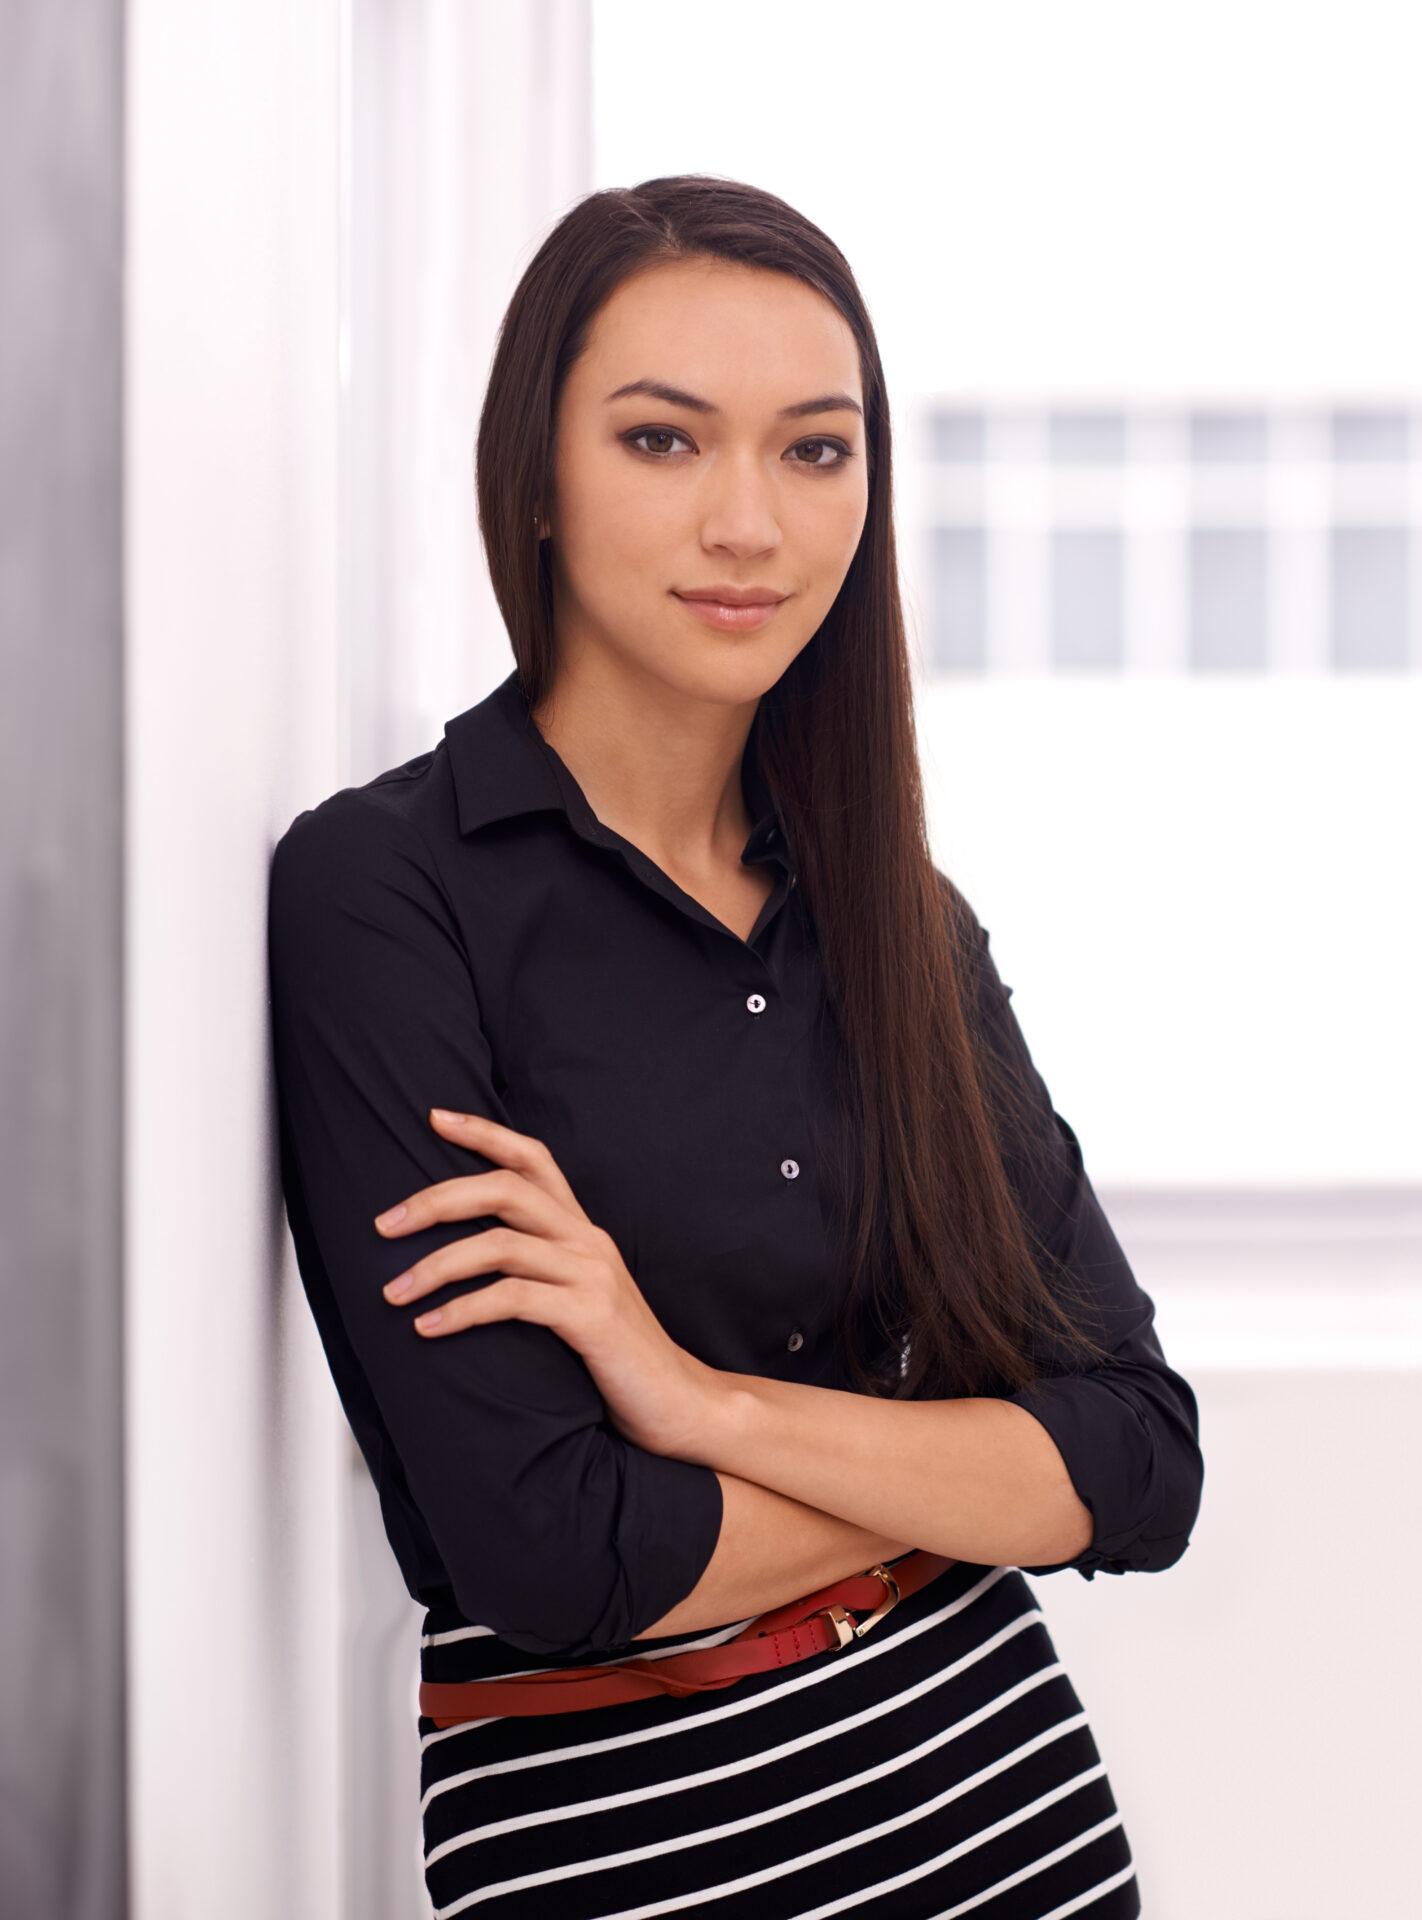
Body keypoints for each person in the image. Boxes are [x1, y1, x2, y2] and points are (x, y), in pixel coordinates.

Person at [268, 175, 1202, 1919]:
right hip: (642, 1866)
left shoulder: (897, 918)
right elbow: (554, 1555)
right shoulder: (386, 894)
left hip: (1009, 1828)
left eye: (815, 451)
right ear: (533, 478)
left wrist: (692, 1403)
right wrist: (966, 1472)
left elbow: (1141, 1458)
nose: (752, 524)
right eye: (662, 441)